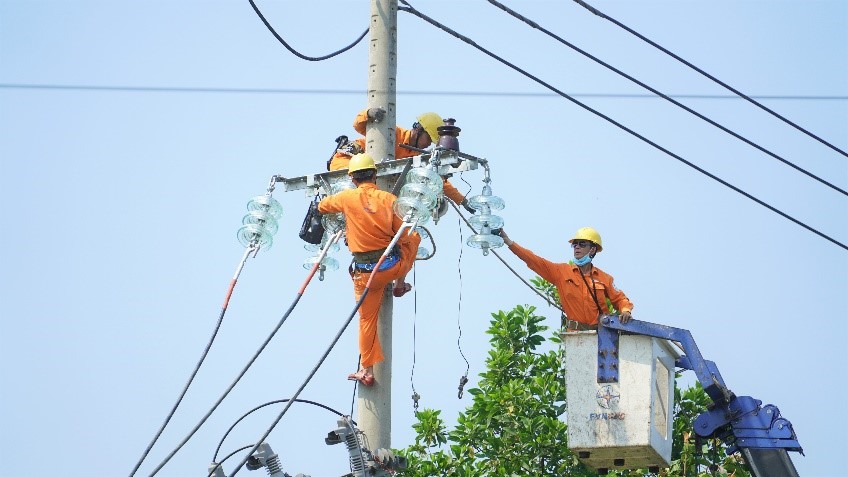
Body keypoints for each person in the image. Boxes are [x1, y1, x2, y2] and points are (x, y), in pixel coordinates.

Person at [318, 153, 422, 386]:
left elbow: (323, 206)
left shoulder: (346, 198)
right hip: (392, 267)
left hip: (366, 276)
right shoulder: (389, 199)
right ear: (374, 175)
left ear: (352, 178)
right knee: (414, 238)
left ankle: (367, 370)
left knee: (367, 320)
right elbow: (406, 235)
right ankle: (400, 284)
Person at [329, 107, 474, 212]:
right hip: (344, 164)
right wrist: (368, 114)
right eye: (428, 138)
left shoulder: (417, 157)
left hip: (367, 179)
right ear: (418, 130)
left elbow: (438, 180)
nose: (429, 144)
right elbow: (358, 125)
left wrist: (462, 200)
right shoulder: (393, 133)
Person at [498, 226, 633, 330]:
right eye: (575, 244)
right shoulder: (561, 272)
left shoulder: (605, 278)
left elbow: (620, 299)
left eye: (582, 244)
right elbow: (534, 260)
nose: (577, 247)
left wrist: (625, 310)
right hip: (576, 337)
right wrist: (509, 242)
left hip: (602, 336)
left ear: (592, 250)